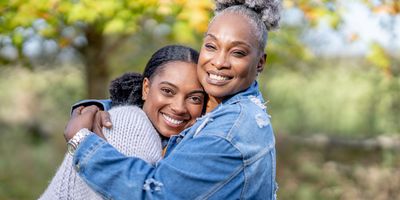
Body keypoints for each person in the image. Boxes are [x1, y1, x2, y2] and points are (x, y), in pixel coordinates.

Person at [64, 0, 281, 199]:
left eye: (238, 53)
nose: (219, 62)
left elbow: (155, 193)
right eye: (211, 46)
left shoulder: (227, 133)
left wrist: (81, 142)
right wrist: (93, 108)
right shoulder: (226, 108)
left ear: (260, 62)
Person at [39, 45, 206, 199]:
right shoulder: (130, 124)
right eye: (168, 91)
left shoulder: (175, 138)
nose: (179, 107)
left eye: (194, 98)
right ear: (146, 88)